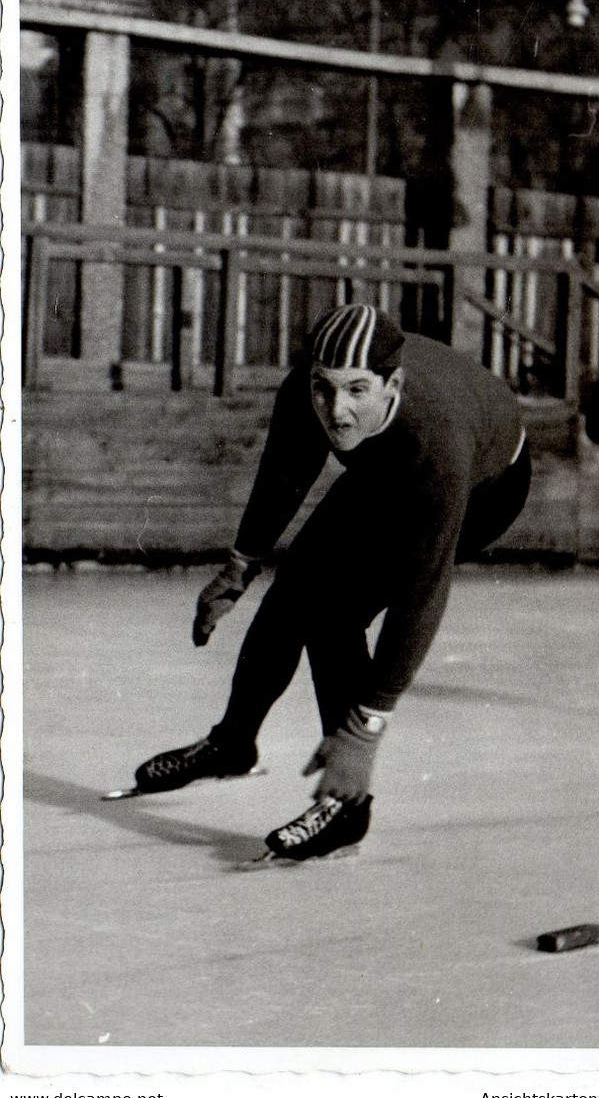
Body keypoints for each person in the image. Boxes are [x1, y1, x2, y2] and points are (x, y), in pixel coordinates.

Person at [133, 304, 530, 864]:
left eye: (356, 391)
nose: (336, 411)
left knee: (335, 613)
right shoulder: (310, 389)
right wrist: (240, 564)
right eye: (324, 389)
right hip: (387, 464)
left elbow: (422, 596)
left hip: (488, 485)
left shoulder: (438, 446)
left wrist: (365, 727)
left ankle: (347, 806)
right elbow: (284, 470)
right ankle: (232, 743)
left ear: (392, 384)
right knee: (293, 589)